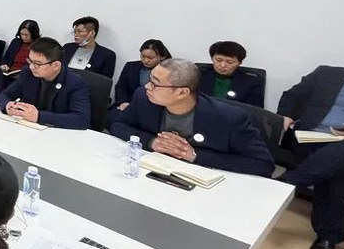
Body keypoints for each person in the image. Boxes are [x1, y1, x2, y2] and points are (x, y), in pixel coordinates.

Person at [110, 59, 273, 176]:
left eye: (155, 83)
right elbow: (118, 124)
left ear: (182, 92)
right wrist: (152, 142)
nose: (147, 86)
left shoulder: (228, 118)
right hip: (151, 172)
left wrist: (194, 155)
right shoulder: (143, 98)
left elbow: (263, 164)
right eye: (150, 80)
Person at [276, 60, 344, 249]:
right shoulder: (327, 74)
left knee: (341, 157)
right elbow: (292, 95)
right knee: (336, 169)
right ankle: (329, 236)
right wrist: (285, 115)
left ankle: (286, 183)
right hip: (309, 136)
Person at [0, 37, 91, 130]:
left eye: (37, 64)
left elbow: (82, 119)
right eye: (30, 61)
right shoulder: (28, 73)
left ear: (56, 65)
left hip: (58, 133)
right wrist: (7, 105)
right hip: (29, 128)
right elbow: (5, 94)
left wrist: (39, 116)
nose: (31, 67)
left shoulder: (75, 83)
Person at [198, 41, 264, 107]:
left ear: (239, 63)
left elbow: (255, 110)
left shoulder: (251, 83)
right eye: (218, 60)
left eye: (229, 62)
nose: (223, 65)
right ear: (212, 58)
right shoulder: (198, 75)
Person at [115, 39, 172, 111]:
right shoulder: (130, 67)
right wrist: (123, 102)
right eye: (143, 56)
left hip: (155, 109)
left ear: (162, 57)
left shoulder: (169, 71)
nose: (145, 61)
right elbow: (121, 87)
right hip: (129, 105)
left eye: (150, 58)